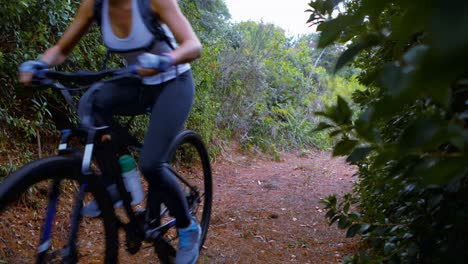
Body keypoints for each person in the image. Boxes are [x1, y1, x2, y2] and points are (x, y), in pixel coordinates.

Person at [18, 0, 202, 263]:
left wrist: (165, 59)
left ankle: (188, 227)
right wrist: (39, 64)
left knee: (151, 164)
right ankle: (119, 181)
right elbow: (61, 49)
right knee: (90, 104)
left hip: (174, 81)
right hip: (138, 82)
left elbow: (193, 45)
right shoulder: (94, 6)